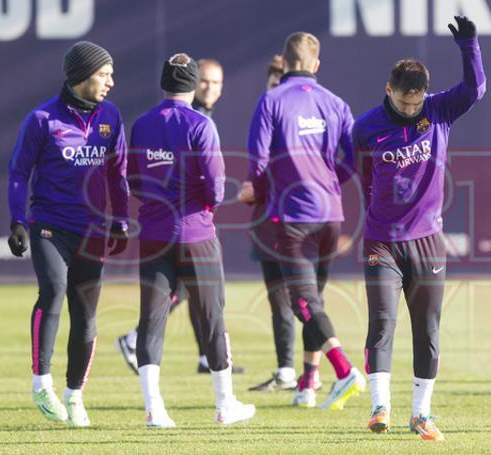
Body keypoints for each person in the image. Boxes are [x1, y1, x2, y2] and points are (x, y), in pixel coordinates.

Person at [353, 16, 486, 439]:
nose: (411, 110)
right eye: (403, 102)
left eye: (416, 103)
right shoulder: (366, 126)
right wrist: (380, 215)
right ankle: (379, 408)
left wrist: (470, 46)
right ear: (388, 90)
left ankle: (421, 414)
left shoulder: (438, 110)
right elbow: (365, 179)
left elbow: (475, 90)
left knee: (427, 331)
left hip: (428, 241)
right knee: (382, 323)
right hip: (382, 242)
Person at [128, 52, 254, 427]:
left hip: (153, 234)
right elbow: (216, 185)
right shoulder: (201, 124)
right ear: (193, 84)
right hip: (196, 232)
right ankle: (224, 404)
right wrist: (202, 204)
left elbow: (133, 179)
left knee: (151, 321)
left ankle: (154, 409)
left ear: (163, 82)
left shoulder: (141, 124)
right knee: (212, 316)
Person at [7, 41, 129, 427]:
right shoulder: (42, 118)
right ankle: (42, 383)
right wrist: (17, 220)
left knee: (87, 317)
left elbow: (118, 174)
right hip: (49, 225)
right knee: (54, 289)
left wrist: (121, 220)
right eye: (103, 74)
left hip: (92, 230)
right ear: (82, 76)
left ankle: (75, 395)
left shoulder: (111, 117)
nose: (111, 81)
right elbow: (17, 172)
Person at [248, 32, 365, 409]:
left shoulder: (271, 100)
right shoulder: (335, 103)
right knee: (313, 301)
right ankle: (309, 382)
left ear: (284, 62)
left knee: (303, 303)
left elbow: (257, 163)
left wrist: (268, 190)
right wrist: (331, 182)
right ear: (316, 65)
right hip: (330, 214)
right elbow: (353, 157)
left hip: (293, 215)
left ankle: (345, 371)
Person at [243, 55, 321, 392]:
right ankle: (286, 372)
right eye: (272, 76)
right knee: (278, 300)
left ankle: (317, 372)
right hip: (266, 222)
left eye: (281, 75)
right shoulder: (265, 116)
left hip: (298, 222)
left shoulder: (304, 120)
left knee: (305, 300)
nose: (276, 81)